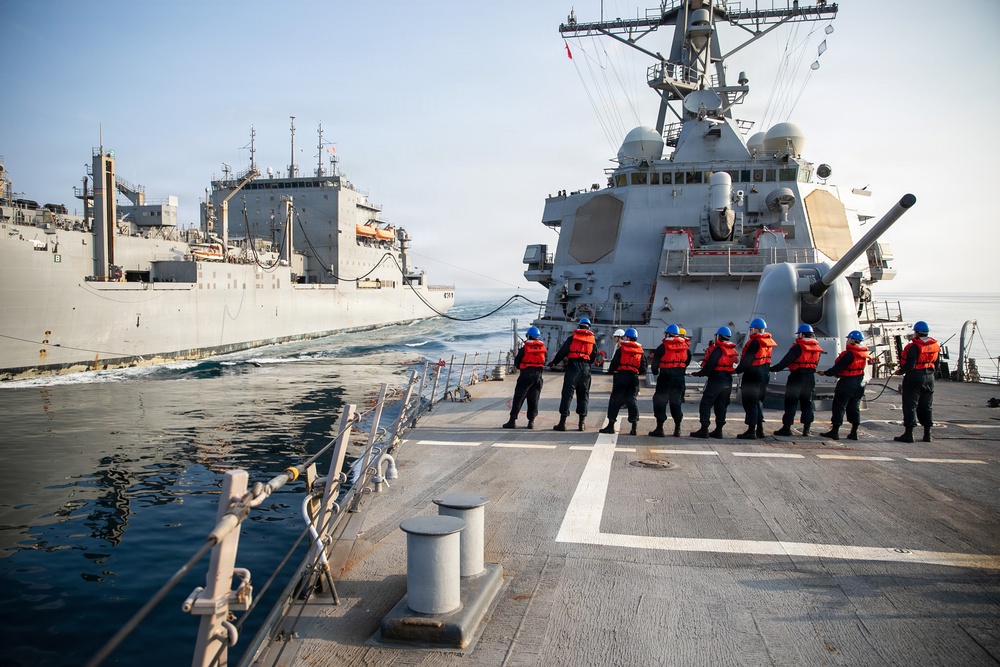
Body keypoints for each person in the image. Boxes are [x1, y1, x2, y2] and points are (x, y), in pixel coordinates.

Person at [771, 323, 823, 436]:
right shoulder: (817, 349)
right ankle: (807, 429)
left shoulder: (798, 347)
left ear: (802, 334)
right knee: (807, 403)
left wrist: (771, 369)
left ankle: (787, 427)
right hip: (810, 378)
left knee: (791, 402)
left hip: (797, 378)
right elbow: (815, 364)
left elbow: (785, 362)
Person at [549, 317, 600, 431]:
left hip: (573, 368)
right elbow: (592, 357)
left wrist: (554, 362)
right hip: (586, 369)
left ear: (579, 326)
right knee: (583, 396)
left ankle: (562, 423)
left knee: (567, 395)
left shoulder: (572, 338)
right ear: (588, 328)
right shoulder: (592, 341)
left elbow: (562, 352)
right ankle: (581, 423)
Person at [818, 330, 871, 440]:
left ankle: (835, 431)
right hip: (859, 383)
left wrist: (825, 373)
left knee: (839, 406)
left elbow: (838, 368)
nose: (847, 341)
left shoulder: (848, 354)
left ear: (852, 340)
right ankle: (854, 431)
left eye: (848, 339)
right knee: (854, 407)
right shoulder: (862, 354)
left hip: (847, 383)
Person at [894, 320, 940, 443]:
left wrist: (900, 372)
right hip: (930, 378)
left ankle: (909, 434)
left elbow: (910, 365)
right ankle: (927, 434)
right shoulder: (935, 346)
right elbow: (937, 364)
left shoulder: (914, 346)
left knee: (910, 405)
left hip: (914, 377)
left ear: (917, 333)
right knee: (926, 406)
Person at [690, 326, 737, 438]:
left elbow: (710, 365)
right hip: (727, 381)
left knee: (706, 404)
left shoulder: (718, 349)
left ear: (718, 336)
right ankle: (719, 430)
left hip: (716, 380)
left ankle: (704, 429)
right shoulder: (732, 350)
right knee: (722, 406)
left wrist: (699, 373)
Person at [734, 317, 777, 439]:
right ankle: (760, 429)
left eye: (751, 329)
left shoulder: (755, 342)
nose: (750, 332)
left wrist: (736, 370)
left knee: (750, 403)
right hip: (764, 375)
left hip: (752, 375)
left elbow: (747, 360)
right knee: (758, 402)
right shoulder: (767, 342)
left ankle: (751, 431)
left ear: (755, 330)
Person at [599, 328, 647, 435]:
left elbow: (614, 363)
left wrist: (611, 371)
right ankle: (634, 426)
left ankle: (611, 425)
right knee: (631, 400)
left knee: (615, 400)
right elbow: (643, 368)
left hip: (621, 376)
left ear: (627, 337)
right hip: (633, 378)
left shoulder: (621, 349)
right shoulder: (640, 351)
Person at [648, 324, 691, 437]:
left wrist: (656, 373)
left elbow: (654, 365)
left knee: (660, 401)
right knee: (676, 403)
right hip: (679, 379)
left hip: (665, 378)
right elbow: (687, 360)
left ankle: (660, 428)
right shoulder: (685, 346)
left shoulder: (662, 347)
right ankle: (677, 429)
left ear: (667, 334)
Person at [502, 326, 547, 430]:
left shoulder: (525, 348)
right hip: (538, 377)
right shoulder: (543, 349)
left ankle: (512, 420)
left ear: (528, 336)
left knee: (518, 398)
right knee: (534, 399)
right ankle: (531, 422)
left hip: (525, 376)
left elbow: (517, 364)